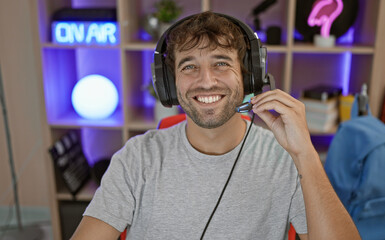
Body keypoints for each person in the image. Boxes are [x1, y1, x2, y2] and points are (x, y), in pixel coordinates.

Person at [71, 11, 360, 240]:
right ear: (170, 85)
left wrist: (305, 155)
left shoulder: (286, 161)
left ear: (248, 77)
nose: (206, 80)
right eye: (189, 66)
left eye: (221, 63)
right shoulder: (137, 158)